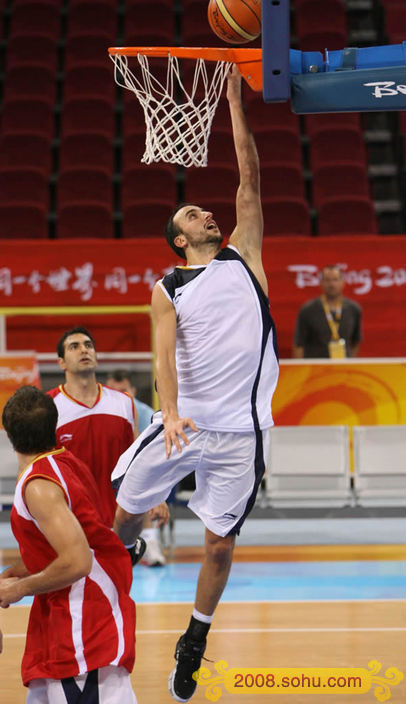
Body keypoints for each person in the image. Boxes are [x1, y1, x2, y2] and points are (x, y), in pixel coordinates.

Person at [111, 65, 279, 703]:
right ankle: (116, 566)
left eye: (207, 209)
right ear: (181, 240)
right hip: (185, 420)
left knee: (217, 548)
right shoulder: (169, 285)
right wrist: (171, 413)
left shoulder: (246, 257)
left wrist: (235, 102)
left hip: (242, 430)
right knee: (123, 513)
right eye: (194, 213)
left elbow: (249, 180)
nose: (208, 212)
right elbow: (162, 357)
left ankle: (196, 637)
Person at [0, 386, 137, 703]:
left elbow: (77, 561)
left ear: (8, 433)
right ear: (55, 424)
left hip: (82, 621)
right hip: (67, 614)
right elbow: (68, 544)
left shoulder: (39, 487)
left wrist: (18, 589)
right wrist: (19, 573)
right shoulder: (66, 462)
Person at [48, 326, 168, 565]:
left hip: (117, 522)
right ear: (61, 362)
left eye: (88, 345)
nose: (84, 350)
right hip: (73, 522)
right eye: (74, 347)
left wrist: (155, 496)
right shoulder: (49, 406)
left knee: (118, 596)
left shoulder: (123, 403)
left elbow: (137, 457)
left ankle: (150, 544)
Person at [106, 369, 166, 567]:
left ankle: (150, 543)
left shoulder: (148, 415)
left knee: (140, 488)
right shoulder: (104, 411)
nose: (120, 396)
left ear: (133, 390)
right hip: (108, 473)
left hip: (143, 471)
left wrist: (157, 493)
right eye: (114, 392)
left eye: (124, 390)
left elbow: (155, 458)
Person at [293, 265, 362, 359]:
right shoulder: (308, 310)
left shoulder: (353, 309)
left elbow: (355, 342)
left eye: (335, 279)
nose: (331, 284)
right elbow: (299, 344)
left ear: (343, 282)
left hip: (344, 367)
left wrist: (351, 364)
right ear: (321, 282)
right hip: (316, 367)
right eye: (327, 280)